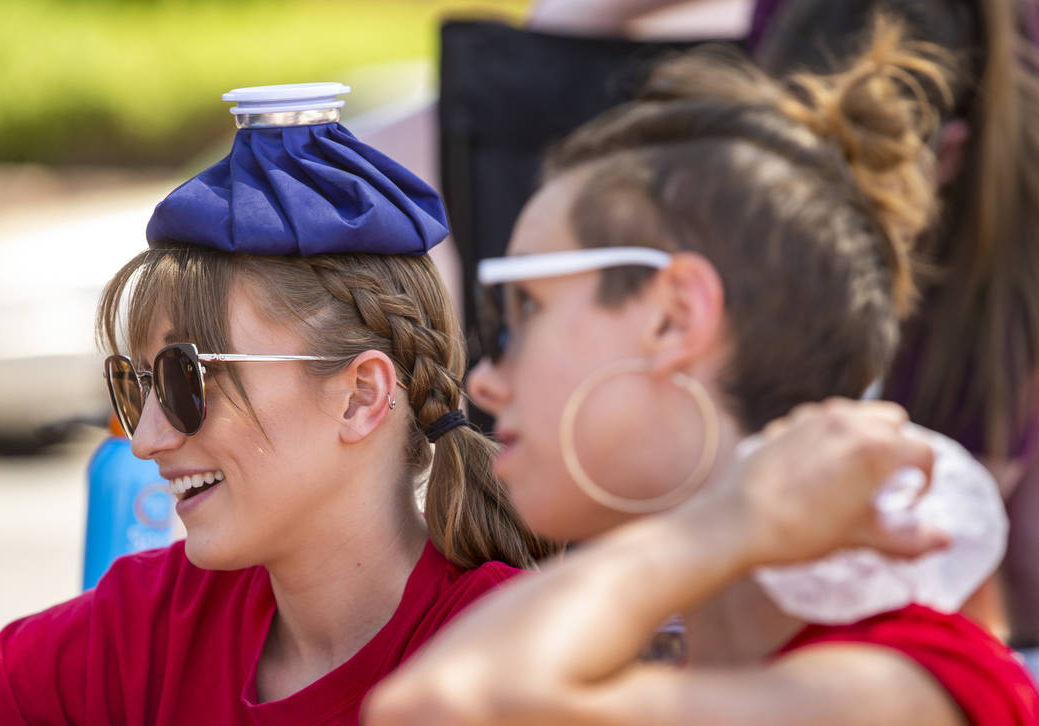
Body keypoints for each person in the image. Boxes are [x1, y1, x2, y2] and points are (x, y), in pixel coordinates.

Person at [363, 19, 1038, 725]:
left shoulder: (902, 685)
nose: (485, 382)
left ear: (675, 317)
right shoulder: (634, 662)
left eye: (524, 308)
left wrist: (726, 523)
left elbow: (436, 706)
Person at [0, 83, 550, 725]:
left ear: (362, 397)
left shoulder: (510, 662)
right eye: (137, 383)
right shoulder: (143, 626)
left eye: (186, 379)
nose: (145, 439)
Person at [748, 0, 1039, 668]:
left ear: (948, 156)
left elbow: (934, 564)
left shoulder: (997, 285)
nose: (810, 228)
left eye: (845, 186)